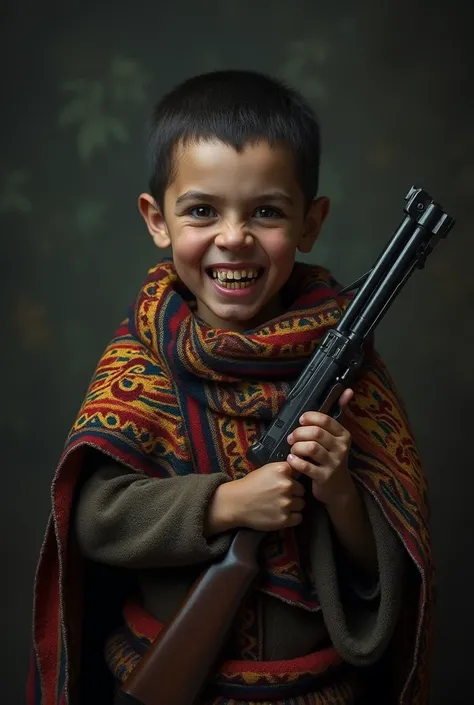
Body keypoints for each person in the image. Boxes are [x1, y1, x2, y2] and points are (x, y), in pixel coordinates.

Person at [28, 70, 433, 705]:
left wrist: (340, 494)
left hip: (318, 691)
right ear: (156, 220)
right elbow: (95, 521)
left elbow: (387, 569)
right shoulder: (145, 359)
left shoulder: (352, 364)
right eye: (202, 211)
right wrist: (227, 505)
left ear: (310, 223)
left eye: (266, 211)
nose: (234, 236)